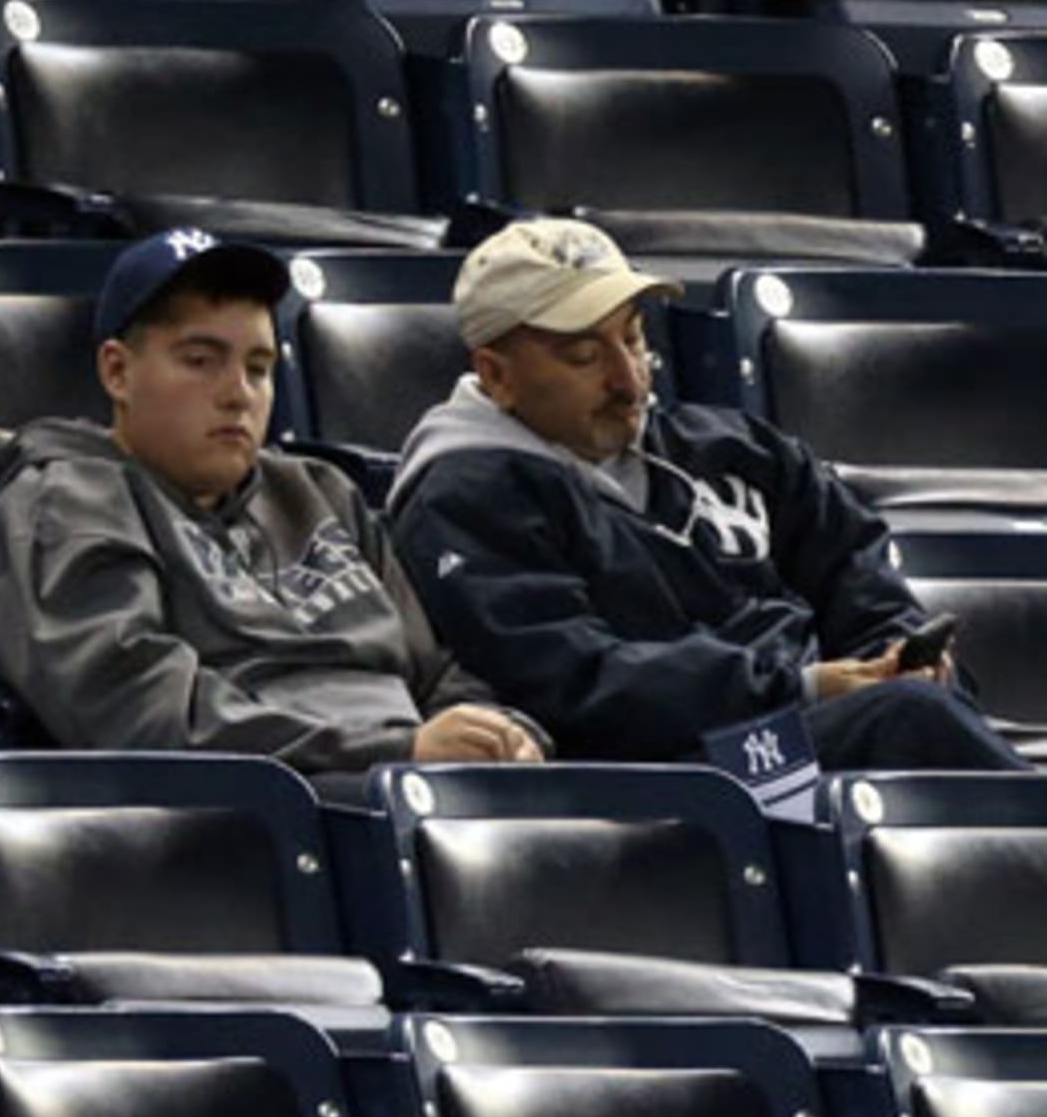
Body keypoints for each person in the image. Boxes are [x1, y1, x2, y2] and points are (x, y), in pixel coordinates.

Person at [387, 218, 1030, 787]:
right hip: (675, 781)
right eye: (583, 356)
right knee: (908, 721)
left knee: (916, 705)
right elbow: (573, 681)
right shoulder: (465, 497)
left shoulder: (734, 447)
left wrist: (899, 656)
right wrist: (803, 689)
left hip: (814, 729)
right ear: (496, 375)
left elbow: (854, 567)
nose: (628, 380)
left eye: (633, 339)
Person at [0, 228, 544, 795]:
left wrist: (500, 734)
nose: (238, 393)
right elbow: (145, 717)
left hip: (394, 782)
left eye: (258, 369)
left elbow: (434, 670)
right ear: (118, 372)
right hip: (263, 812)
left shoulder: (319, 491)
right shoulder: (69, 505)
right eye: (200, 361)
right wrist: (392, 751)